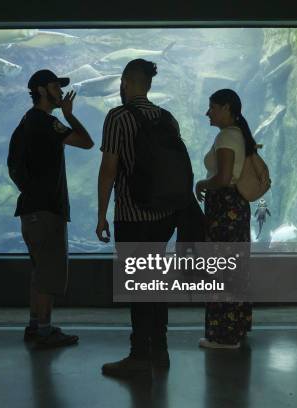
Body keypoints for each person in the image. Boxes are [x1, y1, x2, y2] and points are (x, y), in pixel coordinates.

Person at [97, 59, 178, 377]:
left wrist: (101, 214)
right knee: (155, 284)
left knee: (138, 287)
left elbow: (108, 170)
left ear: (127, 83)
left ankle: (138, 356)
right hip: (164, 216)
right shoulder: (167, 118)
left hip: (132, 215)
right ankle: (160, 350)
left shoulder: (118, 117)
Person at [8, 69, 94, 349]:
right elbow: (86, 142)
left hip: (31, 209)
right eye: (56, 86)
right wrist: (68, 114)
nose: (60, 91)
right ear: (42, 90)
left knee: (39, 272)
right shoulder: (45, 121)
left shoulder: (26, 122)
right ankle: (44, 332)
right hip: (46, 210)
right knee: (48, 273)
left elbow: (13, 166)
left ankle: (35, 326)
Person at [195, 88, 255, 349]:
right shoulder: (237, 134)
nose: (208, 112)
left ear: (227, 108)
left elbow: (223, 177)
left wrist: (202, 184)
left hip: (224, 207)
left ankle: (224, 336)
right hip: (236, 207)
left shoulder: (226, 137)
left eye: (213, 107)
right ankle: (237, 327)